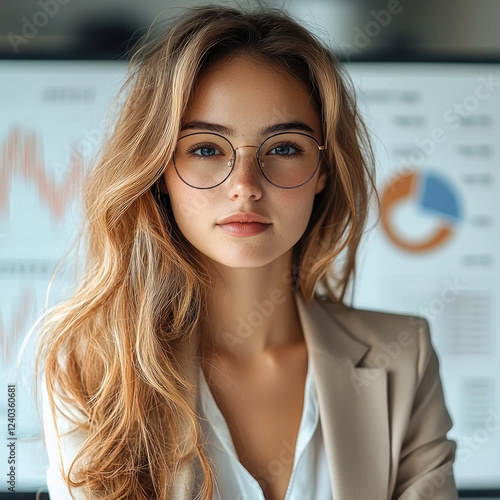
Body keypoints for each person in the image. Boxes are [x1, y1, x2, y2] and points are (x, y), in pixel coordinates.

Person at [35, 4, 459, 500]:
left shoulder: (403, 357)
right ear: (159, 170)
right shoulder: (89, 366)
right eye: (206, 148)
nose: (244, 187)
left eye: (282, 148)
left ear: (323, 170)